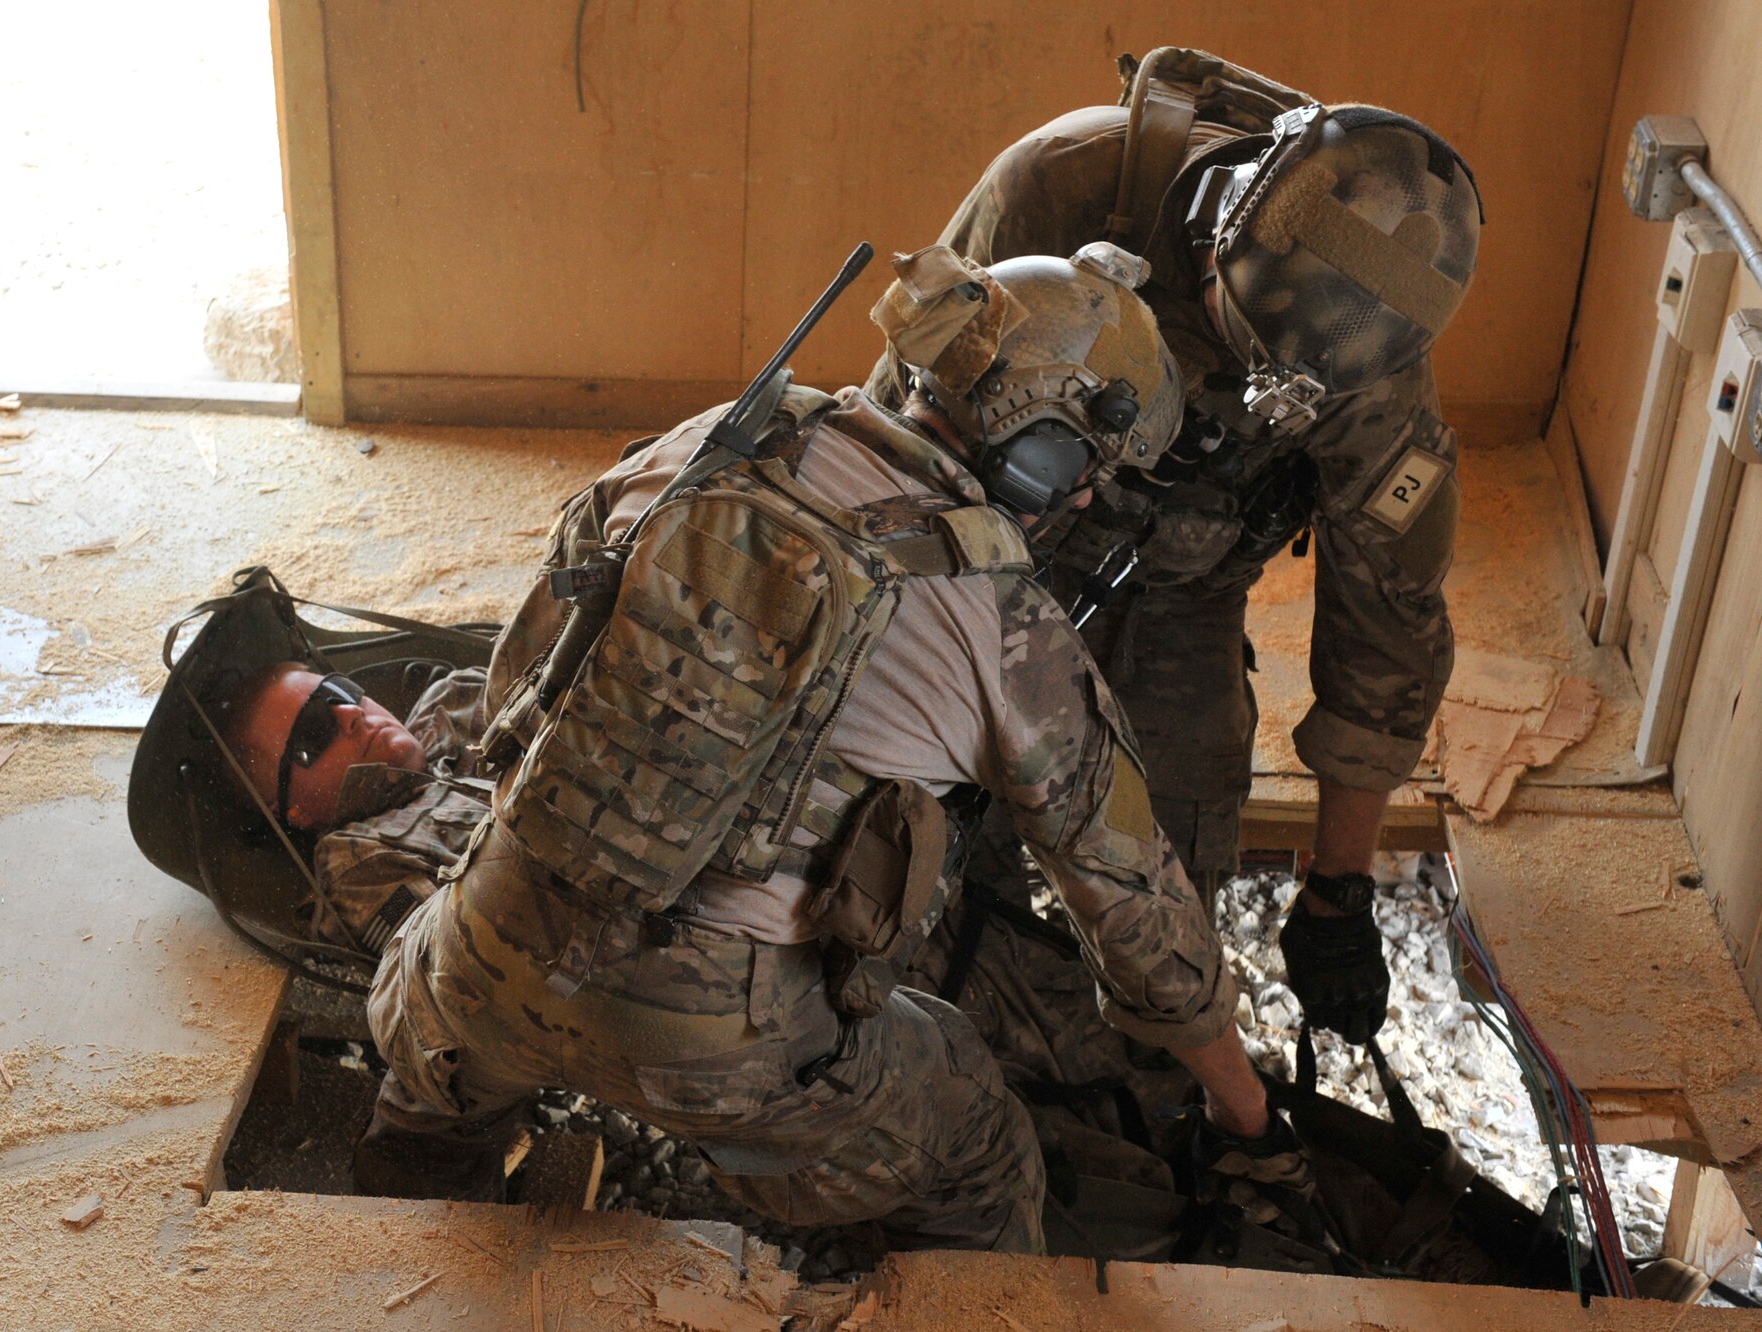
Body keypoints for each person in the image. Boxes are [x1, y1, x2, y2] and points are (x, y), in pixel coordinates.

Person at [226, 245, 1317, 1258]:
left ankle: (390, 1239)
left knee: (432, 1090)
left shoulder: (704, 443)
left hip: (487, 952)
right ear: (1039, 456)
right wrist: (1242, 1108)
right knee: (981, 1140)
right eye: (1085, 471)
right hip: (718, 1042)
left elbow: (520, 687)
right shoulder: (1008, 625)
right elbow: (1136, 916)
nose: (1082, 497)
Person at [867, 49, 1484, 1050]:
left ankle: (1125, 1090)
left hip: (1179, 587)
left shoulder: (1371, 361)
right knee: (916, 836)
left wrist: (1337, 890)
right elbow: (902, 435)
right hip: (988, 553)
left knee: (1167, 883)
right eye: (1238, 344)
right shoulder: (1059, 189)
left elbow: (1388, 626)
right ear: (1214, 241)